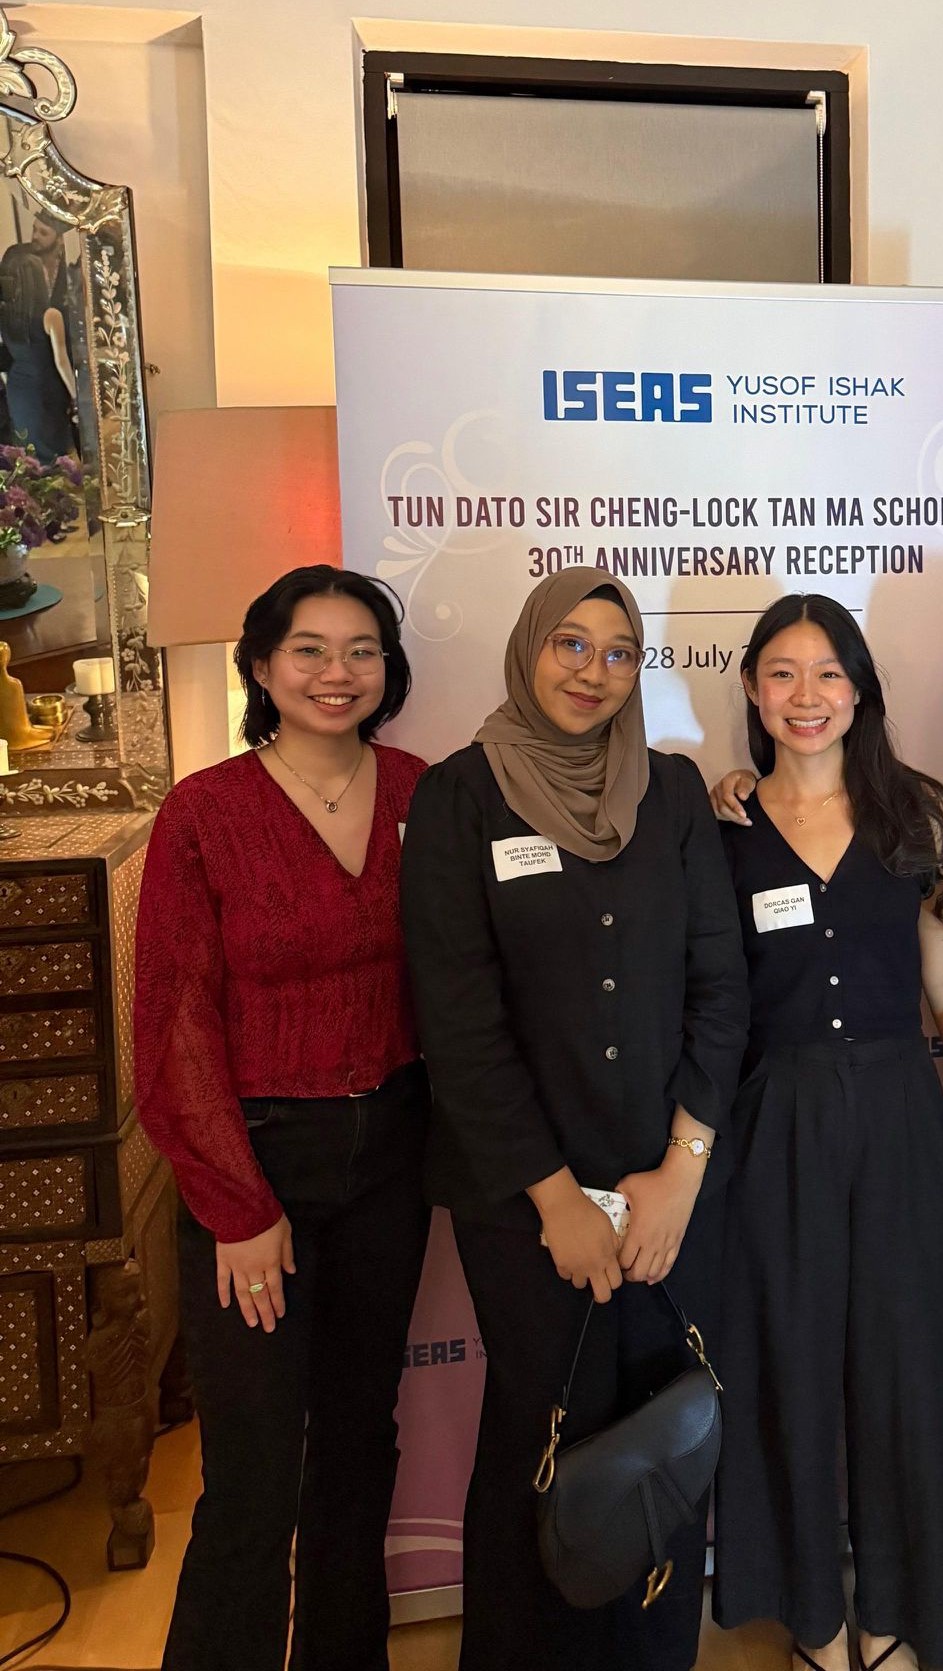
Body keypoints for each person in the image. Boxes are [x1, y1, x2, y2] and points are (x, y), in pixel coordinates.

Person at [401, 567, 748, 1671]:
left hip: (668, 1191)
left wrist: (682, 1171)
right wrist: (557, 1200)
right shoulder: (460, 798)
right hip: (524, 1202)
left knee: (662, 1430)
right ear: (529, 648)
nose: (594, 672)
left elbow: (720, 987)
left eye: (619, 652)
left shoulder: (673, 792)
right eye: (571, 644)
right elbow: (458, 1022)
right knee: (539, 1434)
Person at [134, 565, 430, 1671]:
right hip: (255, 1168)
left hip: (392, 1162)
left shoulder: (421, 791)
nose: (336, 673)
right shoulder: (204, 812)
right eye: (309, 649)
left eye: (361, 650)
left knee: (360, 1446)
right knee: (254, 1475)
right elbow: (173, 1023)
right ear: (261, 665)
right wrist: (237, 1208)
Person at [708, 594, 943, 1671]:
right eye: (782, 672)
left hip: (903, 1110)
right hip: (776, 1118)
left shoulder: (919, 815)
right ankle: (814, 1615)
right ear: (753, 690)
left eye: (829, 673)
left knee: (905, 1369)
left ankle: (896, 1611)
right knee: (790, 1366)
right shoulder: (720, 827)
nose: (806, 695)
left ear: (860, 690)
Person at [0, 243, 75, 462]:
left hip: (17, 388)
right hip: (45, 386)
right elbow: (61, 362)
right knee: (55, 449)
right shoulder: (51, 316)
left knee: (30, 449)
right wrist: (76, 396)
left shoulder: (6, 316)